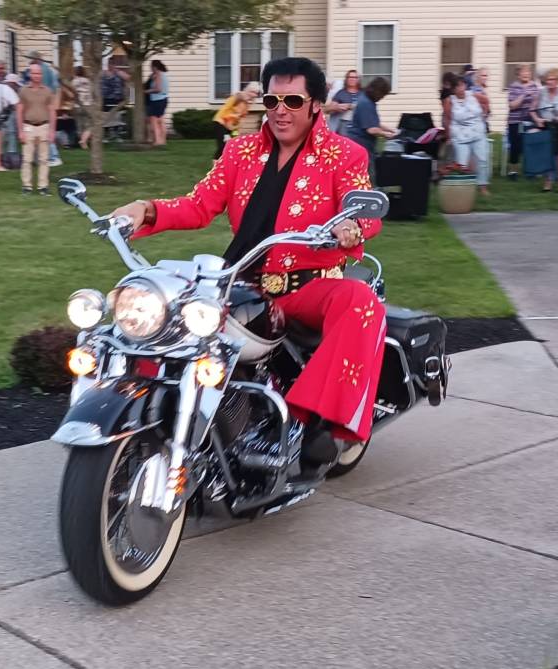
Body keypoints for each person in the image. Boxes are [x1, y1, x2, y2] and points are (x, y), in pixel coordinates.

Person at [109, 56, 385, 466]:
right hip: (240, 283)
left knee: (361, 302)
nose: (280, 110)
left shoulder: (344, 155)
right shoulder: (241, 151)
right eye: (273, 99)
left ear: (315, 105)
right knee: (158, 311)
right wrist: (145, 210)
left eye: (293, 100)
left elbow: (360, 207)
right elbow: (199, 205)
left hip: (307, 286)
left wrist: (351, 227)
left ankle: (319, 423)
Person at [530, 67, 558, 193]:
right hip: (545, 126)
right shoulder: (541, 92)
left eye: (553, 79)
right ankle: (548, 181)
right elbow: (532, 110)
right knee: (546, 156)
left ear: (557, 80)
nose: (550, 82)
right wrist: (537, 119)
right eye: (548, 79)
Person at [346, 76, 396, 186]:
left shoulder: (368, 101)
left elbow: (373, 123)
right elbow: (371, 129)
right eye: (382, 94)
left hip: (364, 145)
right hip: (360, 146)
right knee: (367, 176)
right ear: (377, 91)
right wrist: (387, 135)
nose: (382, 97)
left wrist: (391, 129)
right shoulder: (366, 103)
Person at [16, 63, 56, 196]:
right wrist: (20, 130)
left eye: (38, 73)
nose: (36, 76)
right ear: (30, 74)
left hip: (44, 126)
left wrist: (52, 131)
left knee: (44, 159)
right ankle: (26, 186)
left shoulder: (47, 91)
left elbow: (52, 111)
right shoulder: (23, 91)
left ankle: (43, 187)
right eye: (34, 73)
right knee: (27, 159)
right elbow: (19, 110)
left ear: (41, 75)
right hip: (28, 127)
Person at [449, 75, 490, 195]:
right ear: (453, 89)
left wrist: (484, 114)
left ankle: (483, 187)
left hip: (477, 132)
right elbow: (448, 118)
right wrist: (449, 135)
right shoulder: (450, 100)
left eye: (462, 85)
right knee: (462, 164)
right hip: (460, 134)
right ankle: (464, 189)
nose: (461, 88)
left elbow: (486, 101)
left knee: (482, 160)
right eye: (457, 86)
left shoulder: (473, 95)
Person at [23, 51, 63, 167]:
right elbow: (55, 87)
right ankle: (42, 157)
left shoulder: (41, 71)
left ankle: (53, 157)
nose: (29, 61)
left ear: (36, 59)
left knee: (44, 130)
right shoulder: (49, 70)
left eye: (31, 59)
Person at [506, 64, 540, 180]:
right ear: (518, 75)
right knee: (515, 146)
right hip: (515, 121)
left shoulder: (535, 86)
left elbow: (538, 103)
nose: (526, 74)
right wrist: (524, 95)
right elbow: (512, 105)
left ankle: (531, 171)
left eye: (528, 72)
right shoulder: (513, 87)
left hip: (530, 121)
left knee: (531, 146)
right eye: (523, 72)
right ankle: (513, 171)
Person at [211, 82, 261, 160]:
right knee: (222, 146)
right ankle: (215, 167)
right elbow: (224, 111)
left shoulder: (247, 103)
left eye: (256, 93)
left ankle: (228, 164)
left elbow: (241, 115)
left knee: (233, 144)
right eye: (252, 92)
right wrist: (234, 116)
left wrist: (236, 128)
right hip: (220, 122)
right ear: (247, 91)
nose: (254, 95)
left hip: (230, 126)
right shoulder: (236, 97)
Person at [324, 69, 361, 137]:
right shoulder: (341, 93)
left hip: (358, 128)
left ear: (358, 79)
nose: (352, 79)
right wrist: (337, 107)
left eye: (355, 77)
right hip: (344, 128)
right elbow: (327, 110)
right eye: (350, 77)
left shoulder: (362, 94)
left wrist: (352, 106)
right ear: (346, 79)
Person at [145, 60, 169, 146]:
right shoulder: (163, 74)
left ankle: (158, 141)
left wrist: (146, 91)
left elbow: (158, 89)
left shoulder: (159, 74)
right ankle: (163, 141)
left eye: (151, 67)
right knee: (161, 120)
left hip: (157, 100)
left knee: (154, 121)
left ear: (155, 67)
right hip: (163, 99)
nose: (150, 68)